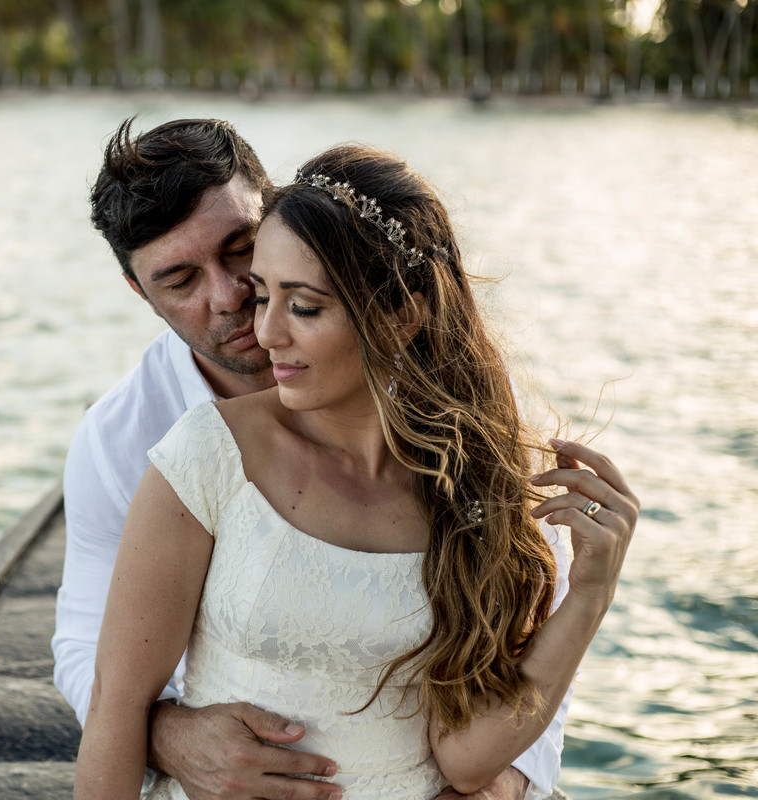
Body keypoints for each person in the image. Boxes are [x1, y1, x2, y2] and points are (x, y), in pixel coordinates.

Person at [71, 141, 640, 800]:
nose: (266, 330)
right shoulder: (199, 449)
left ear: (401, 315)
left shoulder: (474, 473)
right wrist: (170, 735)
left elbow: (465, 757)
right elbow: (112, 694)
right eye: (264, 296)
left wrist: (591, 596)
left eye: (302, 305)